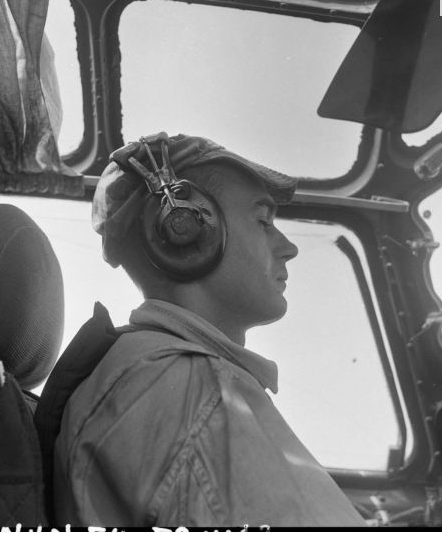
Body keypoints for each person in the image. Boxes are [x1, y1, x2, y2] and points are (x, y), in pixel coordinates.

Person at [52, 132, 367, 528]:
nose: (289, 247)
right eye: (263, 220)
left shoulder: (151, 371)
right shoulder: (191, 385)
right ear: (181, 229)